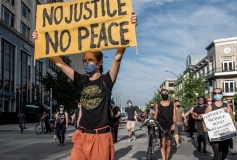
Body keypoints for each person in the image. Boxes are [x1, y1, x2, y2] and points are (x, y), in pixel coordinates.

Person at [32, 12, 137, 160]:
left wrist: (129, 29)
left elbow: (117, 58)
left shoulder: (106, 81)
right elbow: (60, 64)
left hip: (100, 137)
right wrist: (41, 42)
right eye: (84, 60)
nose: (86, 63)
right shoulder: (81, 81)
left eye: (90, 60)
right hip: (81, 136)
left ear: (99, 63)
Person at [204, 88, 235, 160]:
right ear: (213, 95)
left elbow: (232, 118)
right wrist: (205, 127)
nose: (217, 94)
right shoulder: (210, 107)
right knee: (217, 153)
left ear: (222, 94)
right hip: (214, 133)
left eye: (219, 93)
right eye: (215, 93)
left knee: (225, 152)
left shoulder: (227, 106)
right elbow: (205, 119)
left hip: (224, 132)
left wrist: (229, 112)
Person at [154, 89, 176, 160]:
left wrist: (174, 123)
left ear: (168, 94)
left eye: (166, 93)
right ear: (161, 95)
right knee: (163, 144)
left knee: (169, 144)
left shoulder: (173, 104)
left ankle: (166, 158)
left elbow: (174, 115)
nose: (164, 94)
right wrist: (154, 120)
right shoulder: (158, 104)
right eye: (163, 93)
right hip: (161, 126)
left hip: (170, 126)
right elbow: (156, 114)